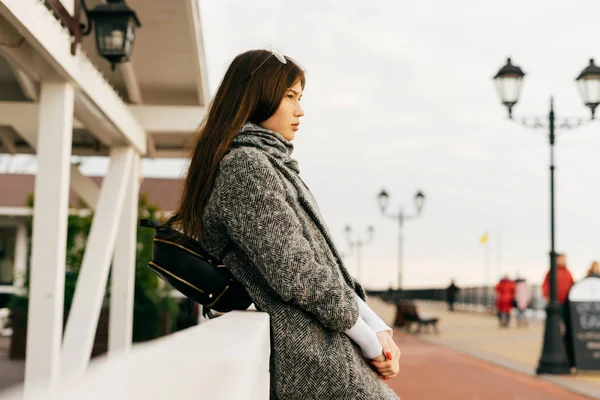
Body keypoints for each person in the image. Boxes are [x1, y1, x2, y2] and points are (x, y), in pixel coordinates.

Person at [167, 49, 400, 399]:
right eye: (289, 97)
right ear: (256, 97)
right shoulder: (246, 168)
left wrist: (379, 330)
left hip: (323, 349)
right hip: (313, 361)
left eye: (299, 98)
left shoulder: (270, 165)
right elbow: (297, 271)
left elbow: (322, 267)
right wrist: (371, 343)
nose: (300, 110)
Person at [542, 253, 575, 367]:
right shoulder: (552, 272)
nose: (563, 261)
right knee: (556, 326)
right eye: (561, 259)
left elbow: (572, 285)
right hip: (556, 302)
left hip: (566, 303)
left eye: (564, 259)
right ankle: (557, 343)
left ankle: (564, 345)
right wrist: (547, 296)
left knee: (567, 326)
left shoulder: (567, 272)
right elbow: (546, 285)